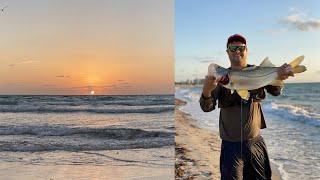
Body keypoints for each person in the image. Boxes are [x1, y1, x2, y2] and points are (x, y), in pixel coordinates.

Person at [200, 34, 293, 180]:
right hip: (230, 145)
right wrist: (206, 90)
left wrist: (280, 76)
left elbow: (275, 92)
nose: (237, 51)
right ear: (227, 52)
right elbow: (207, 108)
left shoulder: (258, 70)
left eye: (241, 47)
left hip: (255, 142)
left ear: (247, 50)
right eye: (233, 48)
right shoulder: (220, 79)